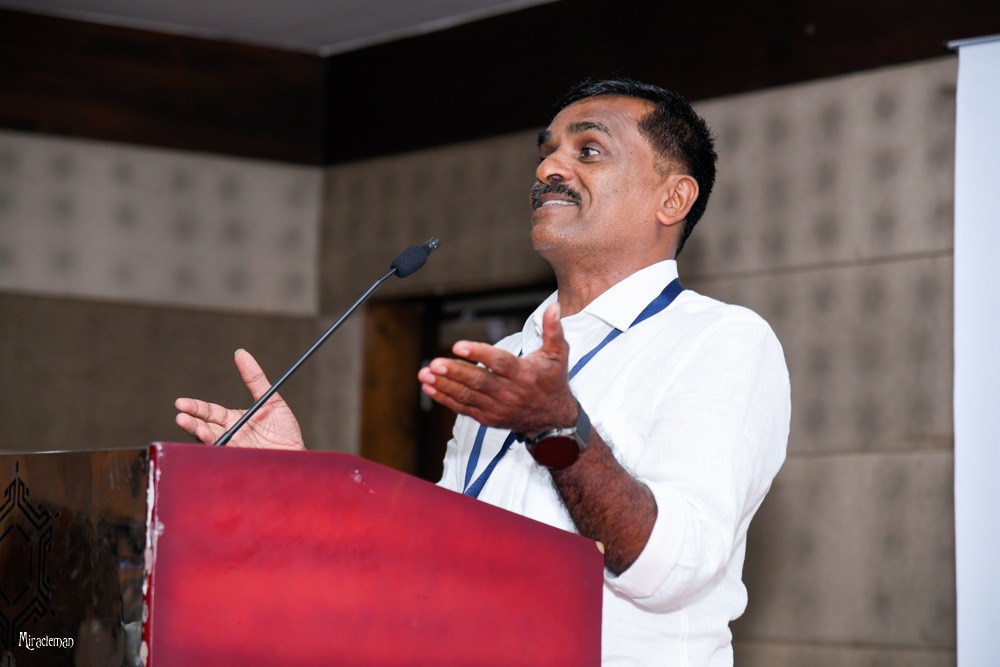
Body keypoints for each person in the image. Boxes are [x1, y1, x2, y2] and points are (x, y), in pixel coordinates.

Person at [175, 78, 790, 667]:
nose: (548, 169)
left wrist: (557, 428)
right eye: (546, 152)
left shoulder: (720, 340)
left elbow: (671, 567)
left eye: (589, 150)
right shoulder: (512, 355)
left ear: (672, 199)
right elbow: (430, 553)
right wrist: (300, 481)